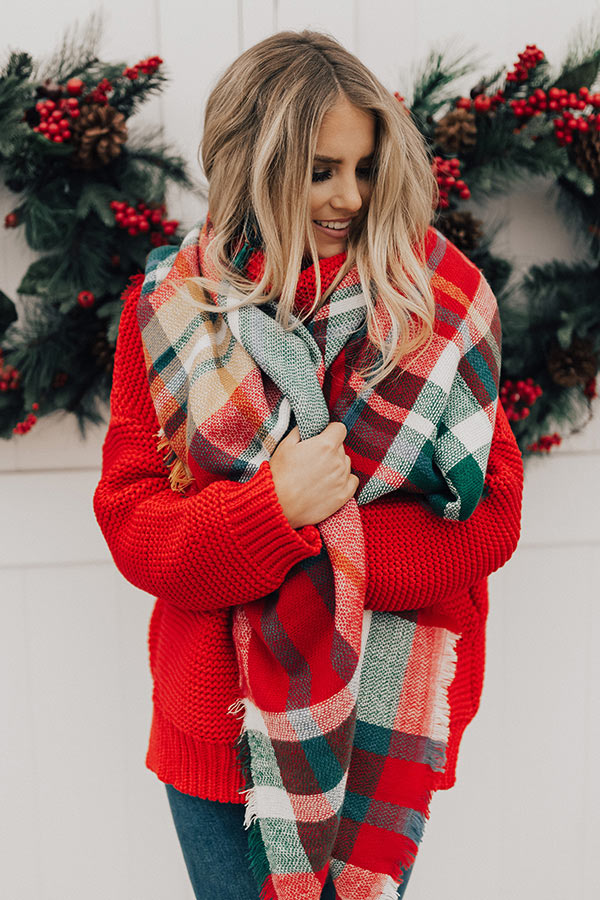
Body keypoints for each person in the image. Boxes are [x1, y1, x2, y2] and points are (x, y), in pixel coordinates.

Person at [93, 29, 524, 900]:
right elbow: (135, 523)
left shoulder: (436, 307)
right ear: (254, 162)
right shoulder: (176, 313)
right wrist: (273, 507)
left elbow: (491, 513)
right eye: (320, 170)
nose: (349, 197)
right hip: (223, 737)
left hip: (383, 726)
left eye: (365, 169)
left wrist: (339, 543)